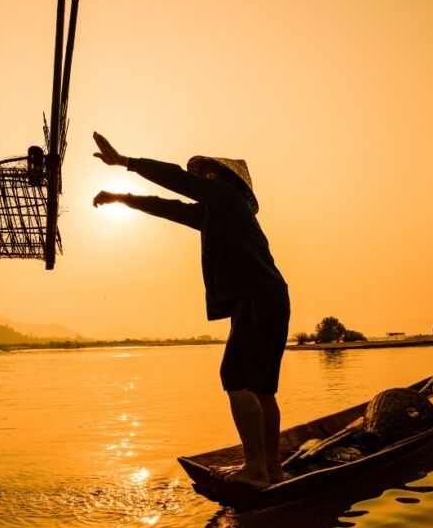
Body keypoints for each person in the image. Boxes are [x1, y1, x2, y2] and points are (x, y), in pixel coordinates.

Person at [91, 132, 290, 488]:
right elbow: (167, 206)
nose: (203, 179)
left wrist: (124, 162)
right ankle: (272, 471)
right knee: (262, 391)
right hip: (269, 297)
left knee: (235, 378)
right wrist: (122, 199)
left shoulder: (227, 197)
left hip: (257, 298)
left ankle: (257, 471)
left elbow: (177, 180)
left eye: (209, 174)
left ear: (228, 180)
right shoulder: (215, 214)